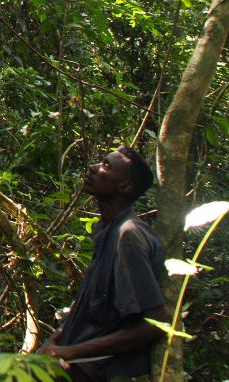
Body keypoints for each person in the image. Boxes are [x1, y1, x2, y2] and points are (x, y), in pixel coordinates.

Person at [39, 146, 168, 381]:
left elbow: (155, 322)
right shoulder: (107, 230)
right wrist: (54, 342)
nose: (93, 167)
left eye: (106, 166)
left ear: (125, 186)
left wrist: (70, 352)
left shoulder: (129, 236)